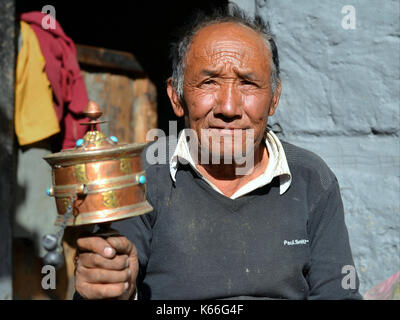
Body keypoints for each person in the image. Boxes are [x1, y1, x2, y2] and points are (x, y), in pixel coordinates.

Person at [73, 7, 362, 300]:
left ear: (273, 99)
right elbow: (111, 279)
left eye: (248, 83)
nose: (228, 108)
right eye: (209, 82)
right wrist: (107, 286)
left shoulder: (312, 179)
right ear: (176, 96)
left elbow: (338, 295)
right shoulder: (141, 174)